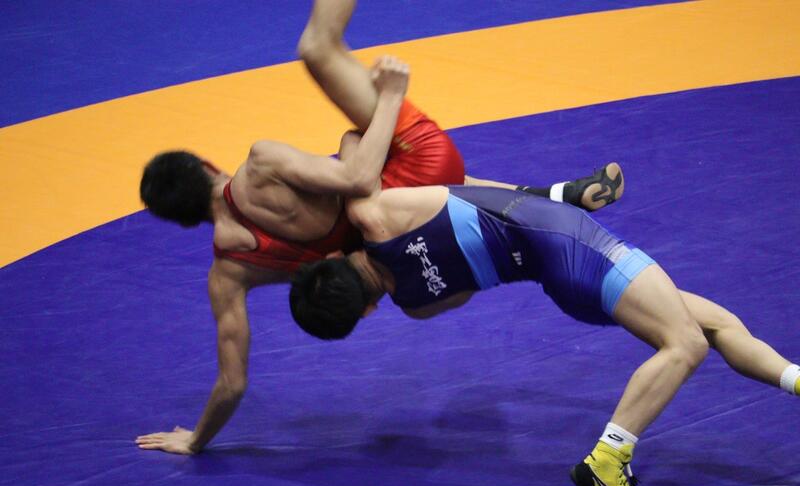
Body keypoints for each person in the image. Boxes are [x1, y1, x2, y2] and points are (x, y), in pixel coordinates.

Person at [135, 0, 624, 455]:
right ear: (206, 164)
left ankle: (555, 198)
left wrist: (196, 440)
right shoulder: (259, 168)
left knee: (436, 194)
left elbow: (233, 382)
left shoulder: (227, 274)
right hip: (412, 177)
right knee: (318, 48)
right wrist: (389, 98)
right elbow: (358, 178)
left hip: (415, 235)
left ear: (183, 221)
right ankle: (552, 199)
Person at [290, 182, 800, 486]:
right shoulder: (374, 210)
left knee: (715, 325)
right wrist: (388, 96)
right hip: (575, 244)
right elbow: (369, 162)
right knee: (685, 343)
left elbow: (466, 279)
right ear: (334, 254)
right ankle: (608, 458)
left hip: (565, 282)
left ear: (366, 311)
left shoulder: (414, 304)